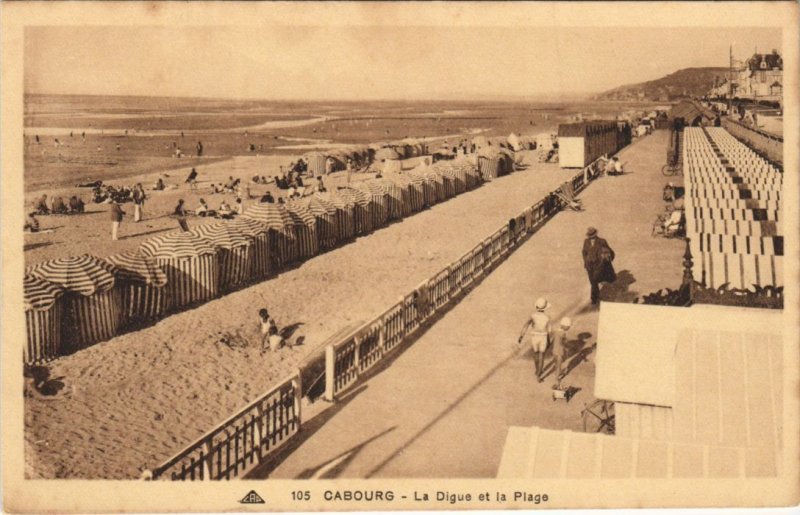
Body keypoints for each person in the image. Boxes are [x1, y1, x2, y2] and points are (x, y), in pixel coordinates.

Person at [518, 297, 551, 382]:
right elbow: (549, 331)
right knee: (542, 356)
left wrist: (521, 336)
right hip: (543, 336)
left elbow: (526, 325)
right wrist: (549, 341)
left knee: (535, 354)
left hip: (534, 337)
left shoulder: (533, 316)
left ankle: (537, 370)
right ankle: (539, 375)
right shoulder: (547, 317)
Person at [582, 227, 616, 305]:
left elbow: (609, 251)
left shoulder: (602, 241)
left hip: (599, 264)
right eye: (590, 235)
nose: (591, 237)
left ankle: (593, 299)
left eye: (592, 235)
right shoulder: (586, 242)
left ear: (595, 234)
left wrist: (608, 258)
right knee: (592, 282)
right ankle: (596, 295)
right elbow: (584, 252)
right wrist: (585, 261)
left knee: (594, 280)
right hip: (589, 265)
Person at [552, 317, 571, 389]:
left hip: (554, 350)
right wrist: (569, 346)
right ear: (564, 326)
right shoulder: (563, 334)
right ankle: (557, 381)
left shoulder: (556, 331)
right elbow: (564, 343)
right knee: (559, 366)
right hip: (560, 351)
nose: (569, 328)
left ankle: (556, 375)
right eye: (568, 327)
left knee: (556, 364)